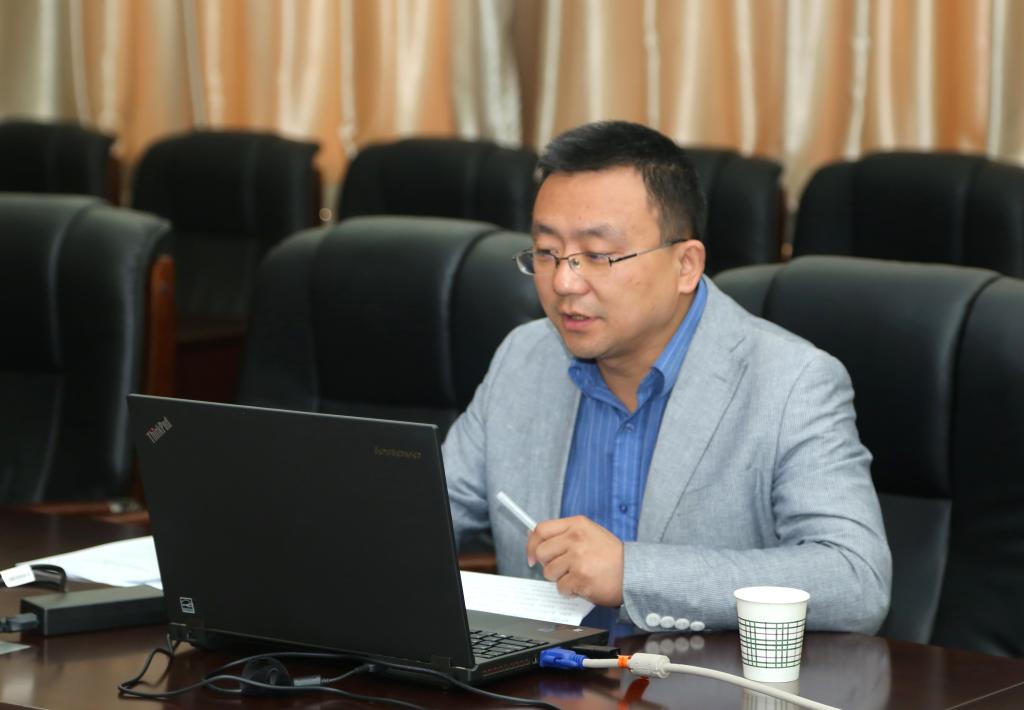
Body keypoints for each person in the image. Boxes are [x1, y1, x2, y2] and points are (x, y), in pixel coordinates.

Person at [442, 120, 891, 633]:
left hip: (697, 677)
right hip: (541, 672)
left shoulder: (791, 383)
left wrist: (633, 573)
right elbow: (424, 518)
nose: (564, 282)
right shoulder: (524, 358)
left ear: (686, 265)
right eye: (547, 252)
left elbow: (856, 579)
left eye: (598, 255)